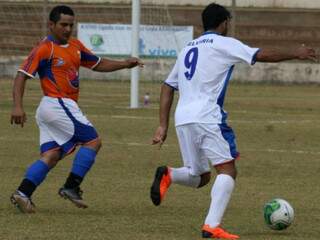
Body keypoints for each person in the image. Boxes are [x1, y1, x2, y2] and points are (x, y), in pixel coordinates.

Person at [150, 3, 316, 239]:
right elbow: (260, 55)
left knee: (201, 177)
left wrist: (162, 125)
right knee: (227, 169)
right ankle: (211, 226)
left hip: (183, 117)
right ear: (224, 23)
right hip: (207, 116)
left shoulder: (188, 48)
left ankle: (169, 174)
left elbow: (167, 86)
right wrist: (296, 53)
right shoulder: (224, 42)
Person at [10, 5, 143, 214]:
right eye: (63, 24)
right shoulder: (45, 48)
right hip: (57, 103)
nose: (68, 29)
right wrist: (17, 106)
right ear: (51, 24)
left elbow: (98, 64)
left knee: (52, 155)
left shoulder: (75, 45)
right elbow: (21, 76)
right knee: (93, 141)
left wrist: (125, 64)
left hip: (55, 108)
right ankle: (71, 186)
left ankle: (23, 193)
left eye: (71, 25)